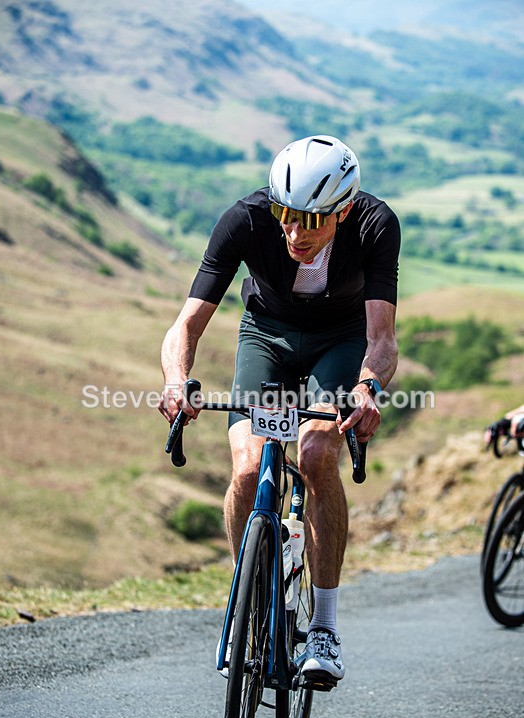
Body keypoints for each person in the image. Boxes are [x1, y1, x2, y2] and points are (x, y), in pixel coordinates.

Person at [159, 135, 400, 686]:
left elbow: (382, 339)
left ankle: (324, 628)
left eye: (311, 220)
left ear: (343, 210)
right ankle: (251, 602)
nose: (294, 232)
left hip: (340, 341)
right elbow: (186, 324)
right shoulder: (244, 219)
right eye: (285, 215)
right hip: (266, 335)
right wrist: (176, 380)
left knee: (315, 453)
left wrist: (367, 387)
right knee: (247, 466)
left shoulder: (375, 225)